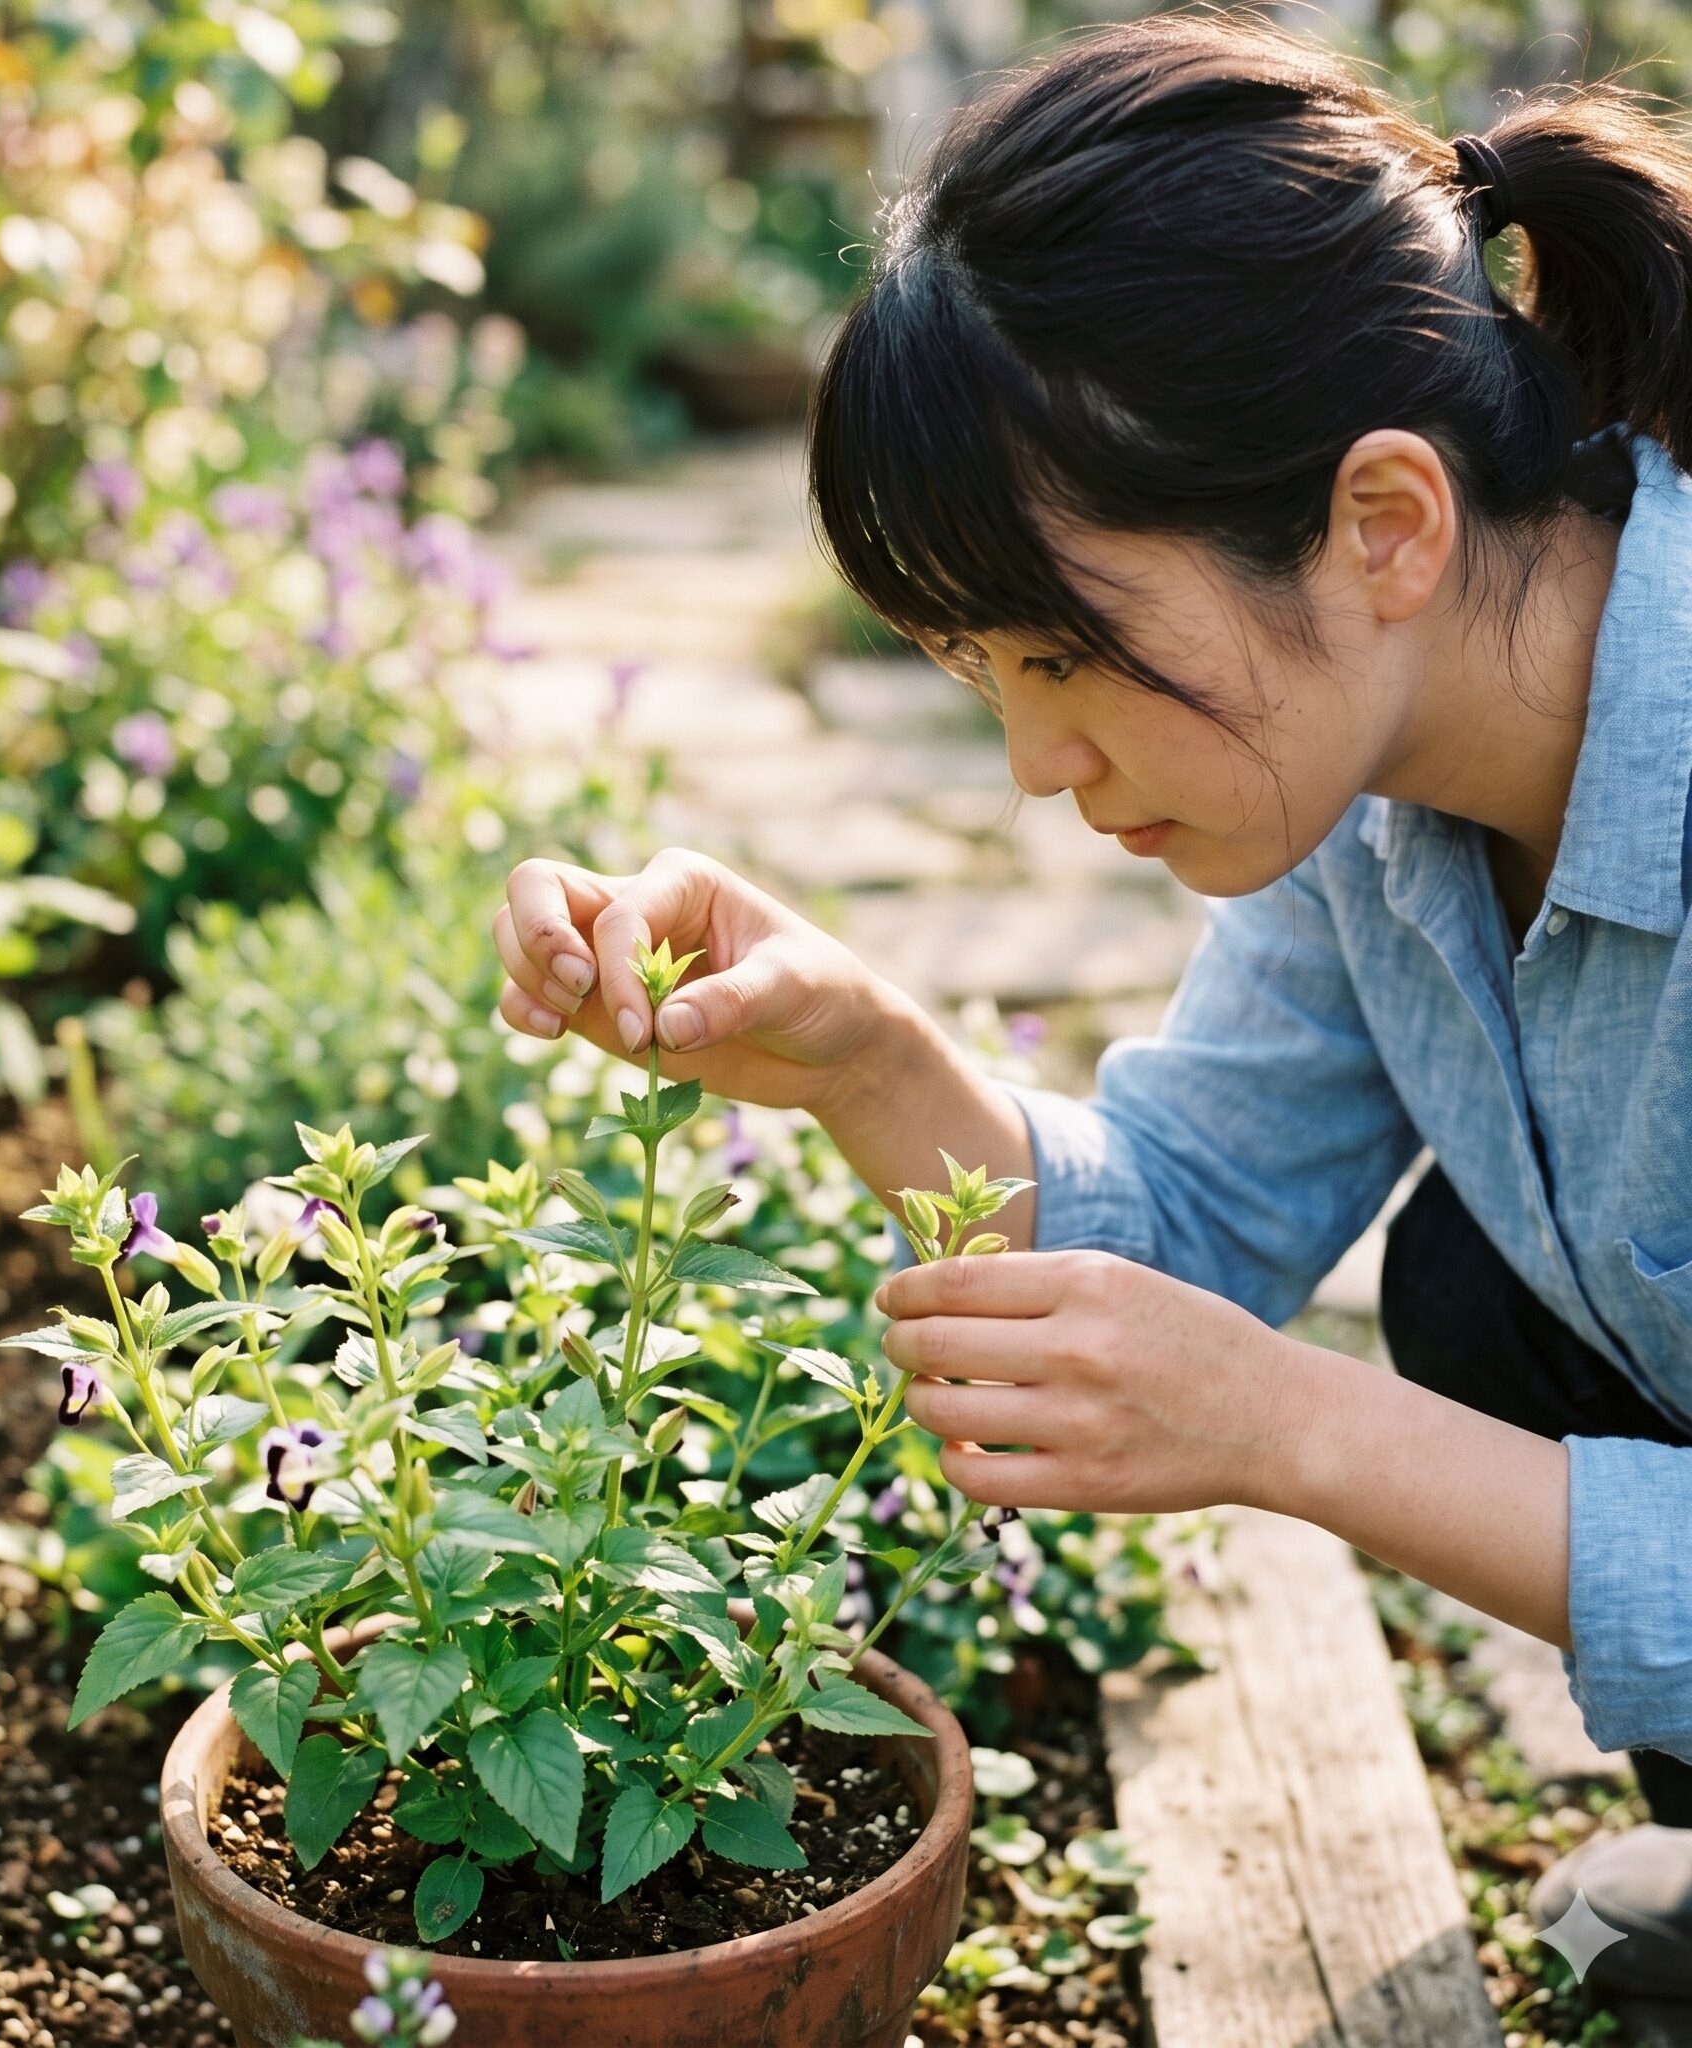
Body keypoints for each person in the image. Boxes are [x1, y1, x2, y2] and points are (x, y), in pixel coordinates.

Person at [492, 10, 1692, 2000]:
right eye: (988, 672)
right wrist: (861, 1054)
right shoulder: (1369, 787)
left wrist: (1291, 1426)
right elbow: (1189, 1224)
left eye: (1066, 653)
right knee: (1482, 1290)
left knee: (1455, 1318)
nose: (1037, 768)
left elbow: (1247, 1374)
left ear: (1383, 526)